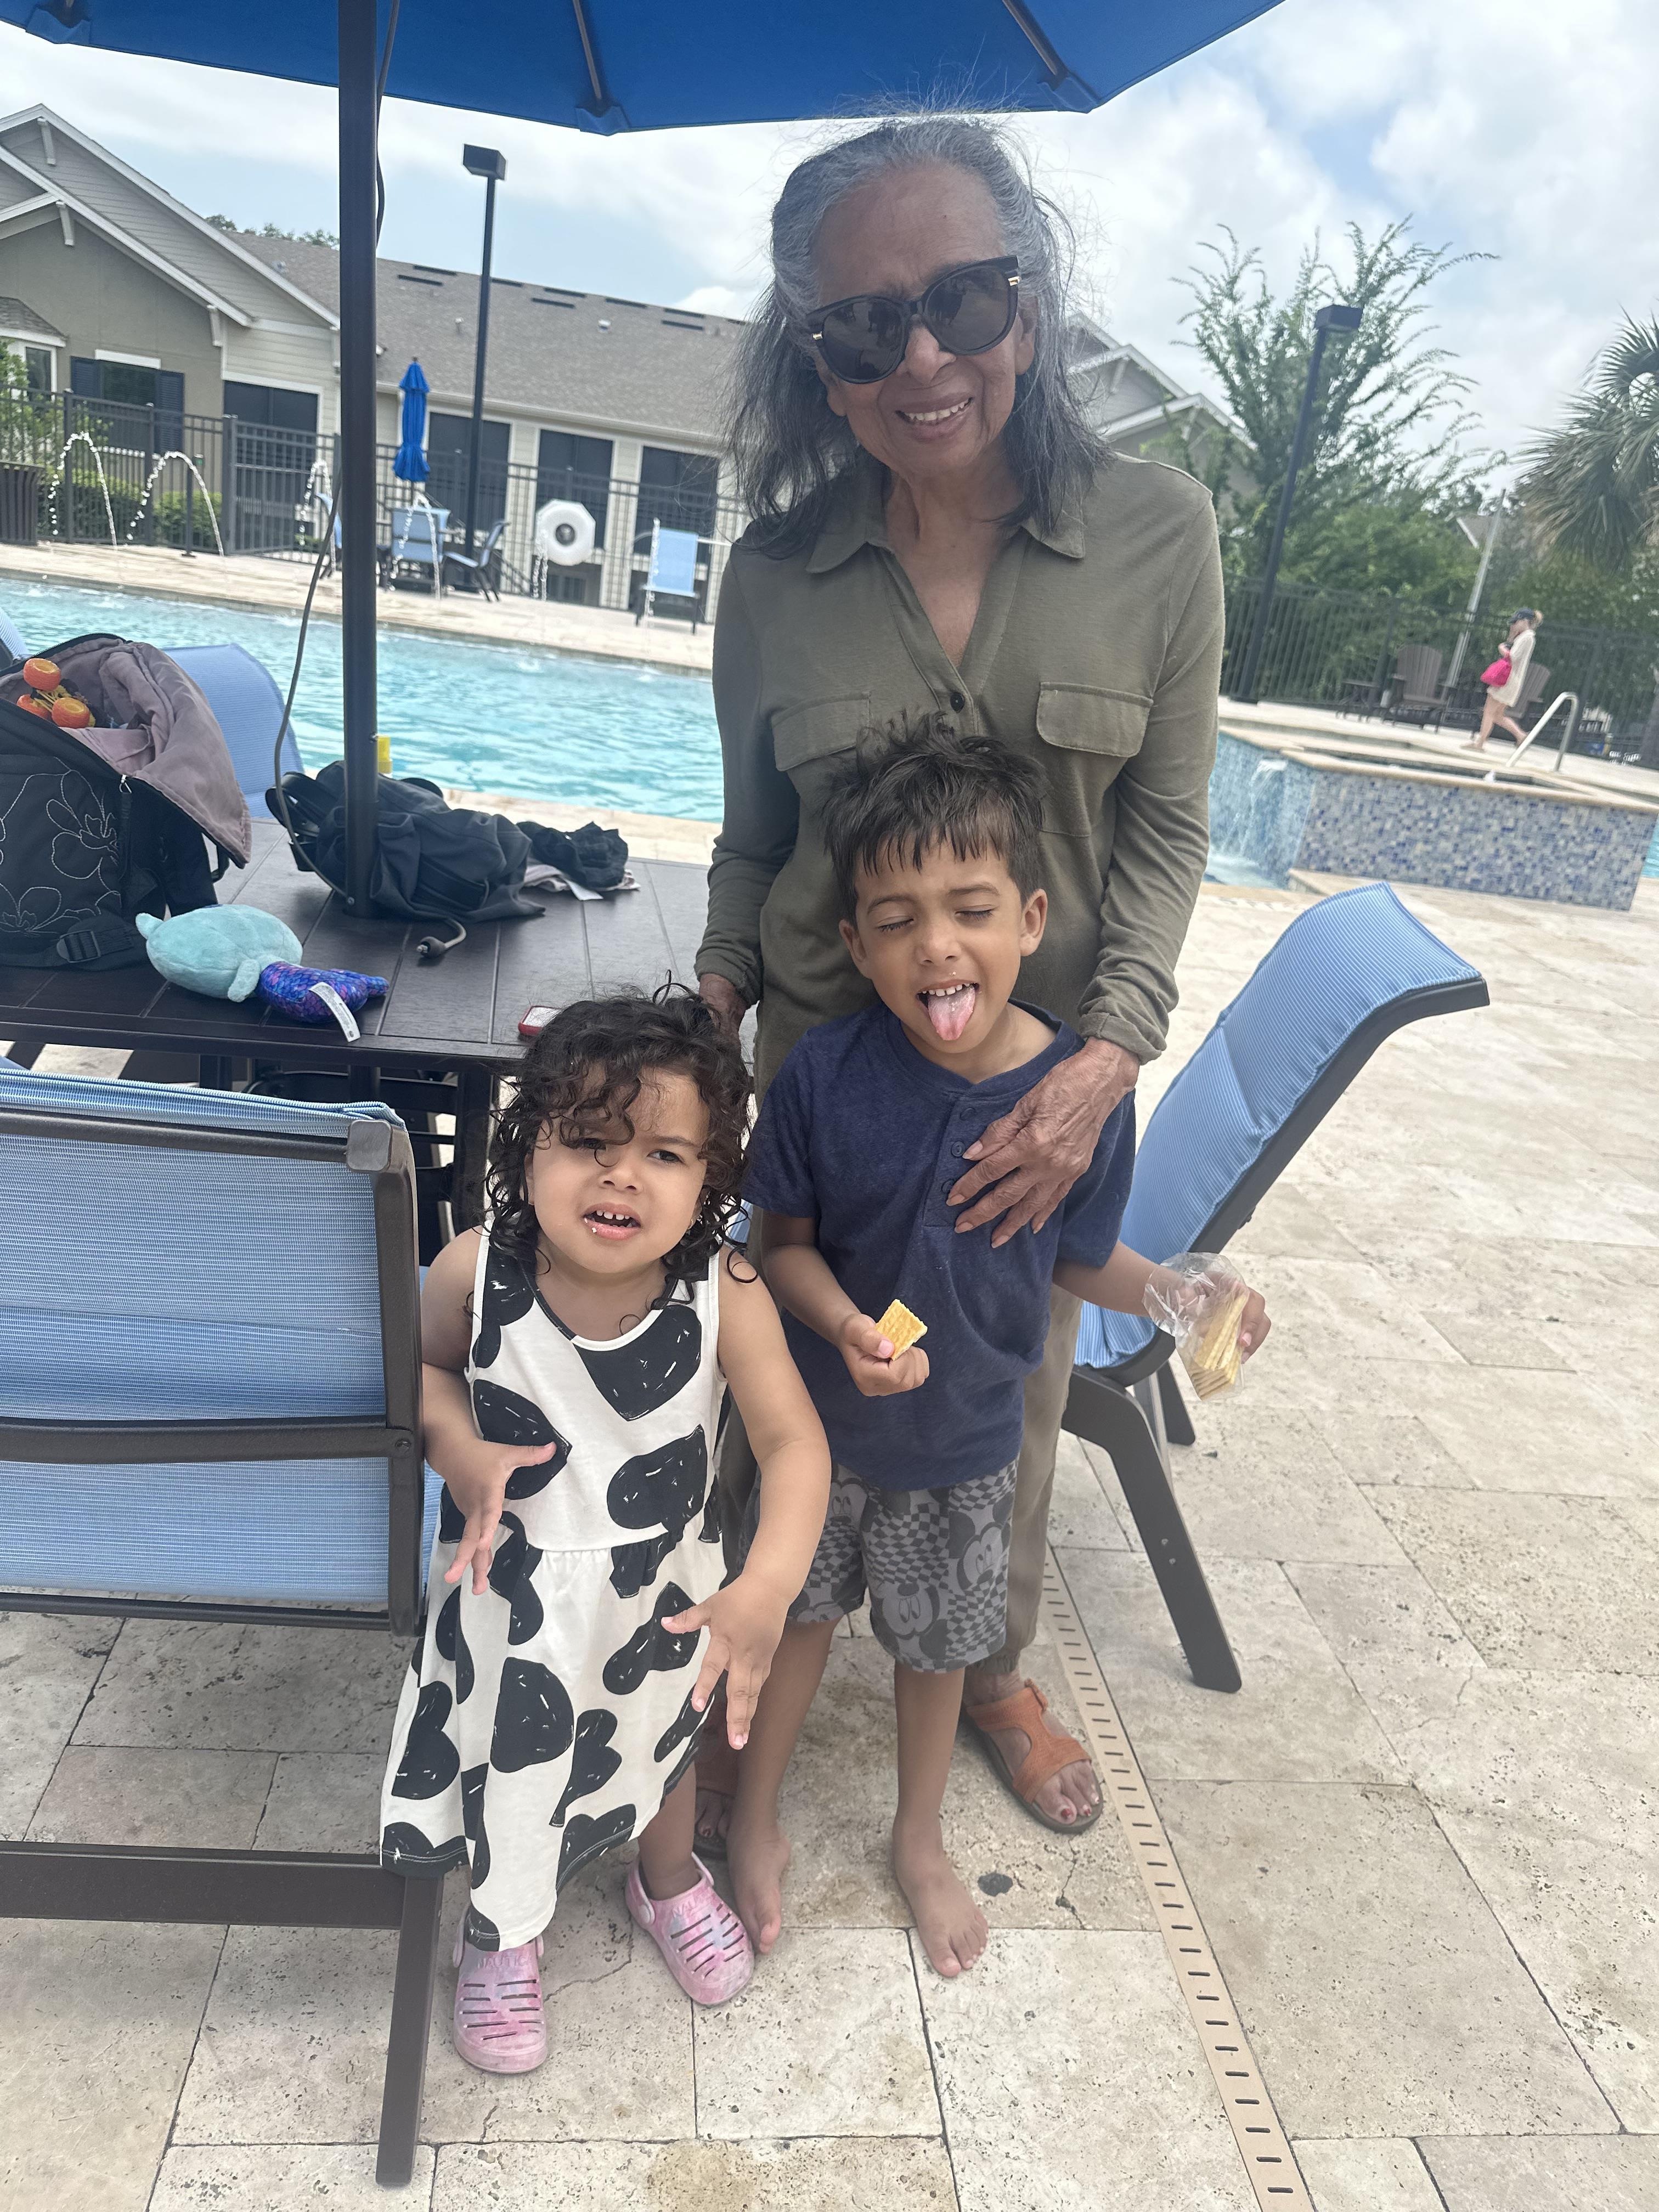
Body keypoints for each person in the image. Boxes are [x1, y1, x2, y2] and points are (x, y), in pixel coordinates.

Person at [695, 113, 1226, 1841]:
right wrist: (706, 1026)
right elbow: (752, 841)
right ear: (816, 360)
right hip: (825, 1084)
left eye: (964, 300)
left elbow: (1163, 836)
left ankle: (984, 1668)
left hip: (1028, 1104)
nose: (922, 354)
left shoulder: (1162, 539)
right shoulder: (774, 577)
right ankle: (749, 1656)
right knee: (790, 1406)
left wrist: (1102, 1065)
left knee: (999, 1395)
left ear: (1032, 301)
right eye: (864, 326)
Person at [726, 721, 1269, 1976]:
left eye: (970, 908)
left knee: (938, 1650)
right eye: (898, 918)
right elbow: (780, 1242)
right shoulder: (822, 1075)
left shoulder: (1078, 1096)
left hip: (968, 1443)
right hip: (816, 1437)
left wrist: (1186, 1296)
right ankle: (754, 1816)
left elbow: (1081, 1257)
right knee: (794, 1627)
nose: (937, 945)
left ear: (1030, 919)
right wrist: (842, 1323)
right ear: (855, 945)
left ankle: (919, 1836)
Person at [379, 989, 830, 2073]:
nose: (623, 1174)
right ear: (525, 1147)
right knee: (517, 1769)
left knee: (664, 1750)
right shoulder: (476, 1271)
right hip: (515, 1597)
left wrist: (764, 1589)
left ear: (712, 1182)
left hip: (659, 1588)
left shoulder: (728, 1293)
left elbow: (798, 1446)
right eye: (588, 1141)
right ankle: (504, 1932)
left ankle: (665, 1878)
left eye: (667, 1154)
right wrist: (459, 1447)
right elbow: (426, 1371)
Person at [1467, 609, 1541, 751]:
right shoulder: (1525, 637)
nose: (1514, 625)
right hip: (1511, 681)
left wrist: (1502, 648)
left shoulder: (1527, 637)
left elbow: (1513, 657)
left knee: (1489, 711)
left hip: (1507, 680)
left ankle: (1480, 743)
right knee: (1497, 715)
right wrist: (1512, 637)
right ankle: (1521, 736)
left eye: (1517, 622)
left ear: (1525, 621)